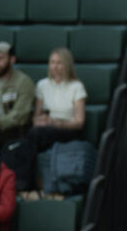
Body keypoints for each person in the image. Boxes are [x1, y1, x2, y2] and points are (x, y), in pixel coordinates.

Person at [16, 47, 87, 193]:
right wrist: (40, 121)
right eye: (52, 62)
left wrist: (56, 123)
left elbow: (79, 122)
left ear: (67, 65)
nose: (55, 66)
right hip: (46, 129)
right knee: (30, 135)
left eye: (59, 63)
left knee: (36, 135)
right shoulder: (42, 85)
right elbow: (36, 117)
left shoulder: (76, 86)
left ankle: (27, 183)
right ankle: (26, 182)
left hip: (68, 129)